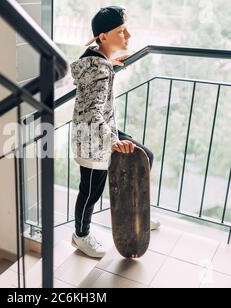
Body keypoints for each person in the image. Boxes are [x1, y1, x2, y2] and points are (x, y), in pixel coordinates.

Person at [70, 6, 160, 258]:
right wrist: (112, 141)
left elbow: (90, 66)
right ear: (103, 37)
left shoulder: (97, 60)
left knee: (145, 156)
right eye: (121, 31)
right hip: (92, 138)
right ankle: (81, 235)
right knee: (90, 192)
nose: (128, 36)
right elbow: (91, 113)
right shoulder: (98, 70)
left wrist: (111, 64)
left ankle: (132, 211)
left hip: (102, 131)